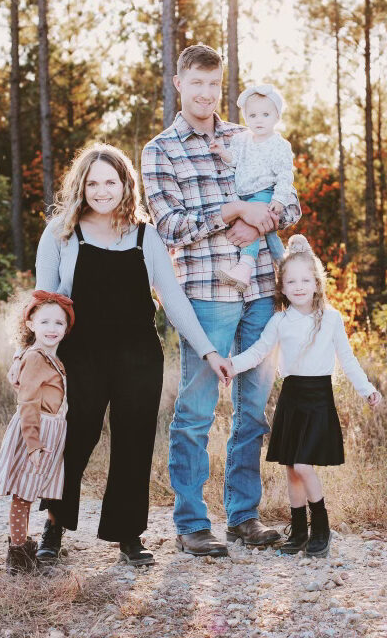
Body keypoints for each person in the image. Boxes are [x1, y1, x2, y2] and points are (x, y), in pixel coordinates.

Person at [20, 143, 229, 567]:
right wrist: (39, 360)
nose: (101, 191)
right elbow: (45, 305)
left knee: (134, 441)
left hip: (138, 354)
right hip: (81, 353)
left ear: (125, 185)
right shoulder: (60, 232)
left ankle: (129, 534)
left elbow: (172, 300)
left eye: (110, 182)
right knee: (74, 439)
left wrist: (208, 350)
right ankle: (54, 525)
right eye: (93, 182)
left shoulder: (144, 236)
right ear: (81, 186)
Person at [142, 43, 302, 557]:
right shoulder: (159, 150)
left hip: (261, 289)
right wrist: (231, 210)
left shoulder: (248, 134)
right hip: (206, 294)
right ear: (178, 84)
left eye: (215, 85)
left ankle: (243, 516)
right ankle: (191, 522)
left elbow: (291, 198)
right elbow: (169, 226)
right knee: (196, 411)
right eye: (197, 83)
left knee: (252, 411)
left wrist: (265, 216)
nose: (206, 94)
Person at [222, 235, 382, 558]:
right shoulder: (280, 321)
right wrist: (230, 365)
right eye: (291, 281)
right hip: (292, 398)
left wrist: (367, 389)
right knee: (292, 469)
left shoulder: (332, 319)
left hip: (318, 399)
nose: (298, 286)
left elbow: (348, 360)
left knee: (303, 464)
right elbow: (257, 352)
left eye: (305, 280)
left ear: (317, 283)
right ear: (282, 286)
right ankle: (298, 531)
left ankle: (321, 527)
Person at [0, 290, 75, 575]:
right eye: (45, 322)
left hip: (50, 428)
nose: (52, 329)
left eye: (59, 323)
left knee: (28, 493)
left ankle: (22, 552)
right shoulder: (36, 357)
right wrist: (33, 444)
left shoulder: (52, 357)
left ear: (66, 328)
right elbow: (27, 402)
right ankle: (18, 558)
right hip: (36, 430)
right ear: (30, 324)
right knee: (23, 495)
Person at [209, 83, 296, 291]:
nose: (258, 120)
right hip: (245, 196)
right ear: (246, 117)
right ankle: (285, 266)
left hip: (265, 193)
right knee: (268, 232)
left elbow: (286, 175)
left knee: (255, 226)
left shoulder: (279, 145)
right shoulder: (242, 140)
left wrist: (279, 199)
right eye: (253, 115)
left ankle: (244, 268)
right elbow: (234, 161)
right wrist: (222, 151)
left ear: (277, 117)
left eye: (265, 114)